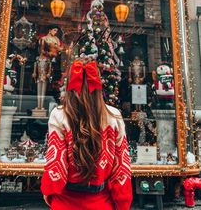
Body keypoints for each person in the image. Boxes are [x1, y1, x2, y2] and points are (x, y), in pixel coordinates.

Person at [41, 58, 133, 210]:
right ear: (98, 85)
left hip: (65, 202)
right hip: (101, 202)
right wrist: (122, 203)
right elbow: (121, 168)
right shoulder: (114, 116)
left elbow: (55, 165)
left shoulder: (58, 115)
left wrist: (49, 192)